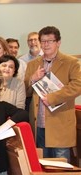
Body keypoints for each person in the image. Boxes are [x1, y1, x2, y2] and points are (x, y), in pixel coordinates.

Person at [24, 26, 81, 161]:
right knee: (43, 166)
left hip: (60, 123)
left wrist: (53, 97)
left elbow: (78, 85)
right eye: (43, 41)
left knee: (61, 169)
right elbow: (25, 91)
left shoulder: (71, 62)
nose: (45, 44)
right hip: (39, 124)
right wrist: (33, 78)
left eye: (50, 41)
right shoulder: (33, 64)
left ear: (58, 42)